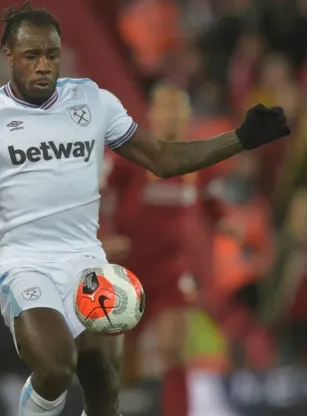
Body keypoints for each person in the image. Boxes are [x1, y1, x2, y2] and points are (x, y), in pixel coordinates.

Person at [0, 3, 290, 416]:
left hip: (86, 260)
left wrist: (240, 138)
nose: (44, 65)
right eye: (32, 56)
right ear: (9, 57)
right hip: (24, 262)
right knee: (56, 367)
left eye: (52, 55)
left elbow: (163, 159)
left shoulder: (93, 102)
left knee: (103, 381)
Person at [100, 83, 226, 416]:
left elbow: (212, 199)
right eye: (165, 108)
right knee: (125, 353)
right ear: (151, 115)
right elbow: (100, 196)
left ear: (186, 115)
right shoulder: (128, 156)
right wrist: (106, 236)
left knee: (173, 346)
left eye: (178, 108)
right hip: (130, 267)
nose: (172, 116)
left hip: (172, 268)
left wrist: (226, 223)